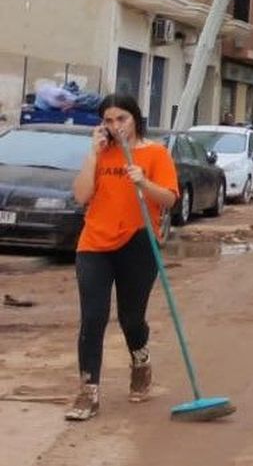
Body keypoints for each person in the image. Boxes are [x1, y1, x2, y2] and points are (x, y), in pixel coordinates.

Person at [65, 93, 180, 422]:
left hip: (138, 242)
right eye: (109, 121)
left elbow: (169, 200)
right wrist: (92, 154)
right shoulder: (101, 154)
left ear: (135, 119)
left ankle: (141, 362)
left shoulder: (155, 153)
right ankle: (88, 391)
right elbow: (81, 195)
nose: (116, 126)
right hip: (95, 243)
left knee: (131, 318)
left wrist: (143, 182)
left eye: (122, 119)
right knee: (93, 317)